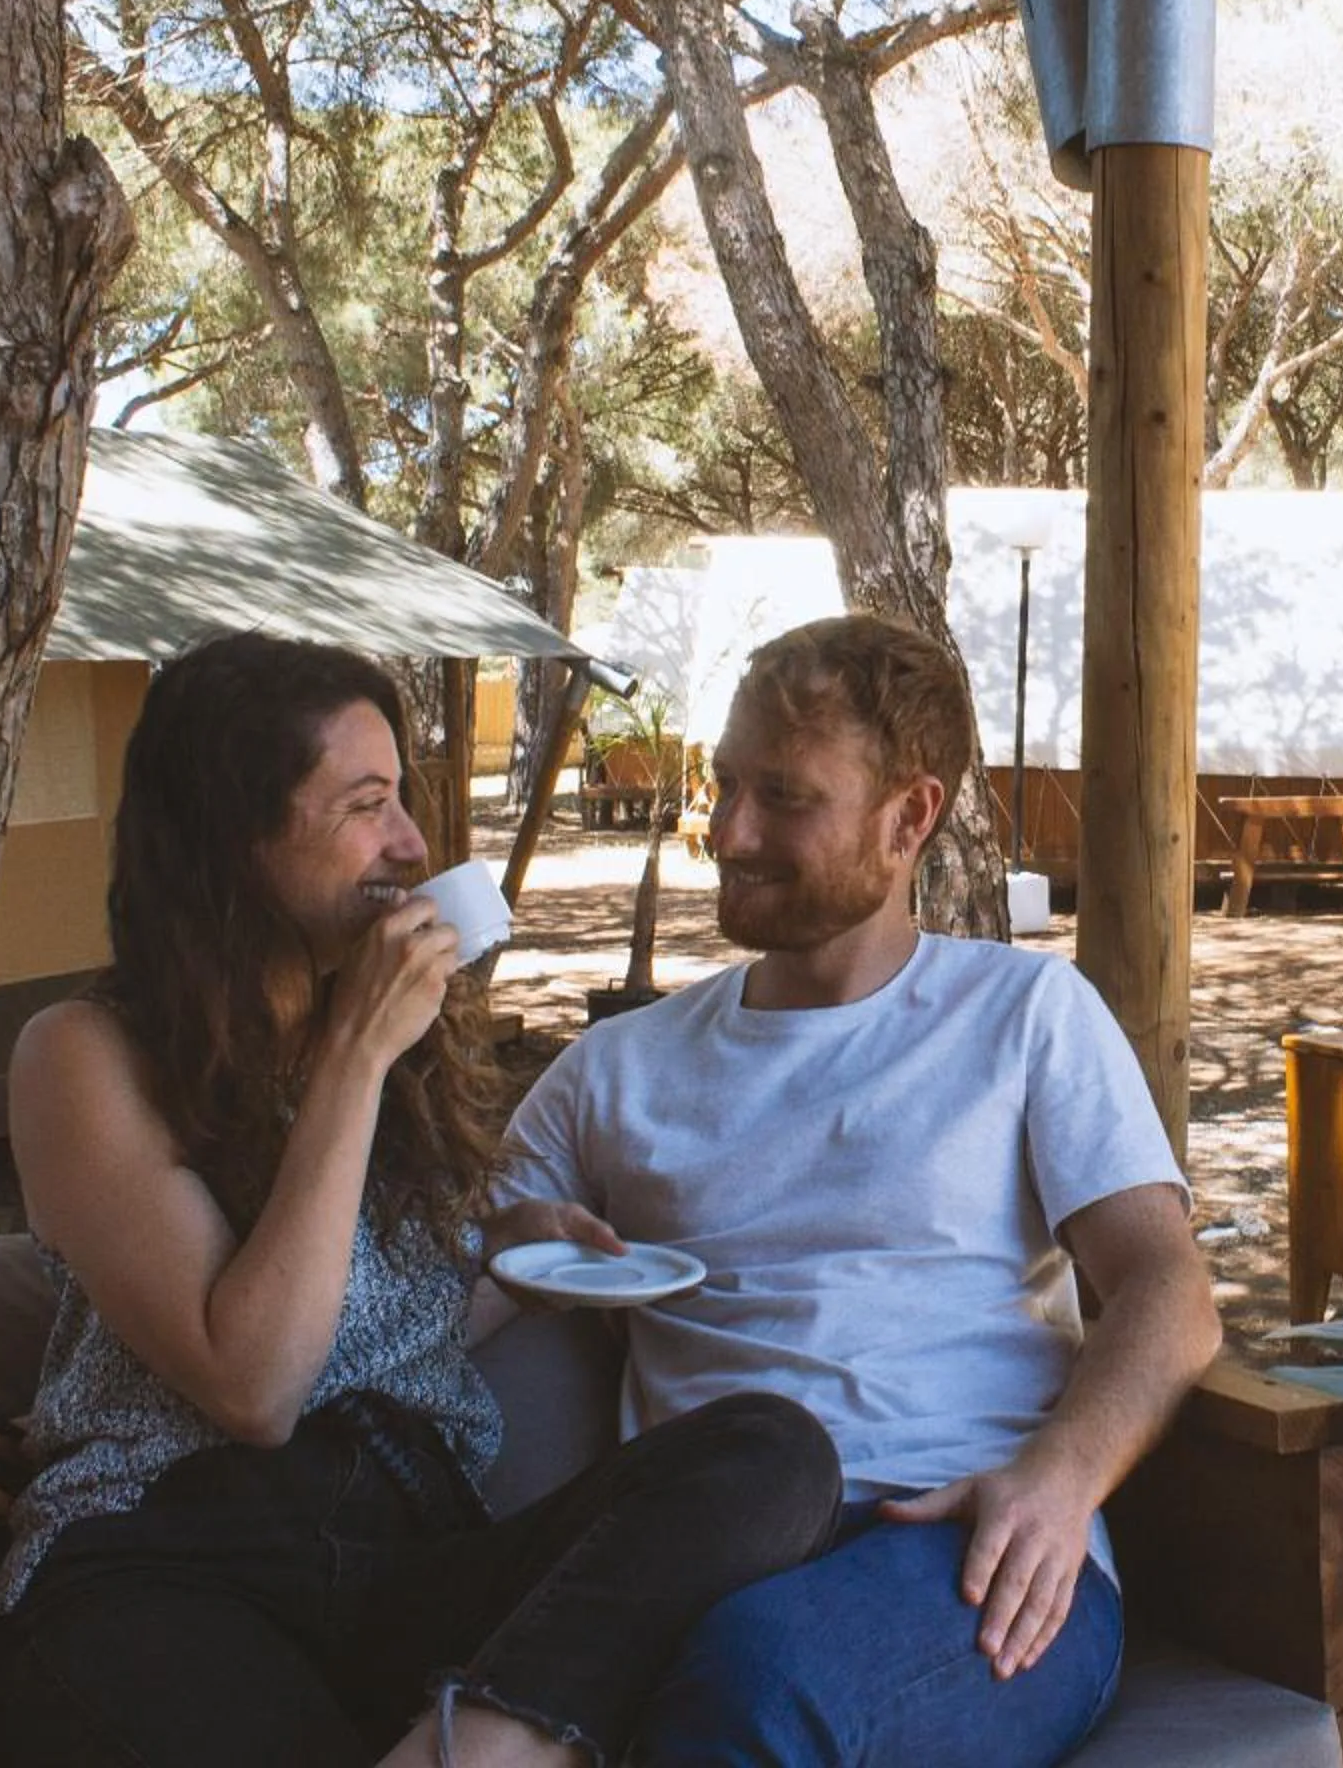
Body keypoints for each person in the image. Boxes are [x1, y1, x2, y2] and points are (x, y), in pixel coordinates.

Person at [0, 632, 842, 1768]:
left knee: (773, 1453)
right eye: (366, 805)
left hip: (412, 1549)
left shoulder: (401, 1057)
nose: (414, 844)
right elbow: (255, 1382)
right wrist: (354, 1054)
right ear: (237, 838)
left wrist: (500, 1249)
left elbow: (361, 1306)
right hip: (169, 1551)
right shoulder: (86, 1055)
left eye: (405, 802)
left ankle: (478, 1743)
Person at [494, 614, 1224, 1766]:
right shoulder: (621, 1066)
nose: (729, 830)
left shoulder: (1022, 1017)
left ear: (910, 817)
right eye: (725, 782)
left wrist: (1060, 1475)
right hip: (702, 1536)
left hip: (959, 1544)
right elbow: (447, 1270)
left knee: (758, 1677)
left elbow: (1169, 1286)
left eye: (785, 796)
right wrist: (515, 1237)